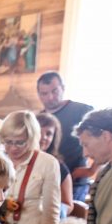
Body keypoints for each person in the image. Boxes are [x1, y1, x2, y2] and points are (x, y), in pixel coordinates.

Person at [36, 71, 97, 200]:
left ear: (63, 88)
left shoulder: (82, 110)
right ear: (39, 95)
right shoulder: (39, 119)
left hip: (75, 181)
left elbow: (103, 140)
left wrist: (92, 169)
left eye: (54, 91)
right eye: (44, 93)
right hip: (46, 180)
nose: (50, 97)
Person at [36, 112, 74, 211]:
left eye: (48, 134)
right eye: (39, 132)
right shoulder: (18, 162)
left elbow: (68, 205)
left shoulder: (59, 167)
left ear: (53, 138)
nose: (43, 137)